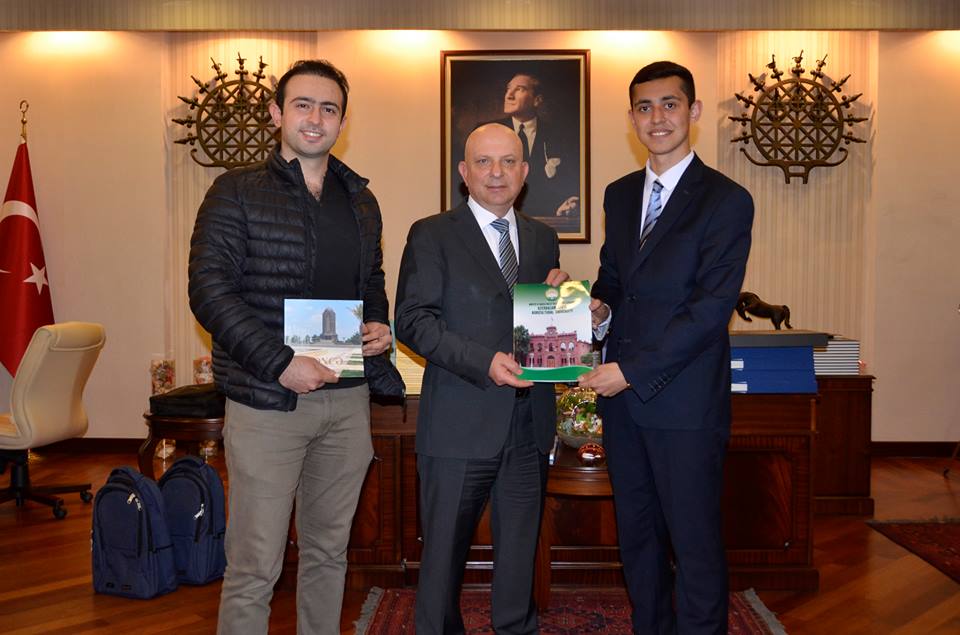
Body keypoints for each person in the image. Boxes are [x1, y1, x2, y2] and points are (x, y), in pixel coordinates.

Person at [188, 59, 402, 635]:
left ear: (342, 122)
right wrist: (281, 364)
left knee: (329, 553)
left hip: (347, 400)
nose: (315, 118)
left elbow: (371, 280)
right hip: (267, 401)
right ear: (276, 113)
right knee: (254, 565)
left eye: (329, 108)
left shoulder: (361, 200)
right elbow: (209, 291)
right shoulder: (235, 191)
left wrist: (378, 324)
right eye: (302, 105)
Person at [579, 61, 754, 634]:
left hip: (685, 404)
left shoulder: (726, 200)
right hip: (624, 408)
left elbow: (709, 309)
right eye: (644, 107)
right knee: (638, 538)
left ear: (693, 111)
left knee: (694, 542)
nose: (657, 117)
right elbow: (613, 280)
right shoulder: (619, 194)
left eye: (669, 104)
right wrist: (597, 309)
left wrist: (629, 370)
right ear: (632, 117)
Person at [395, 123, 568, 634]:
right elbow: (414, 321)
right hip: (459, 422)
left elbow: (540, 325)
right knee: (442, 561)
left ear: (525, 171)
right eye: (484, 162)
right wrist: (483, 360)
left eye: (508, 161)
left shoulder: (541, 239)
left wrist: (565, 302)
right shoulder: (432, 234)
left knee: (519, 557)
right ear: (464, 172)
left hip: (529, 427)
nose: (497, 173)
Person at [497, 72, 579, 219]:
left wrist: (562, 205)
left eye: (519, 89)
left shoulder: (561, 136)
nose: (509, 95)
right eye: (508, 89)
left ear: (537, 100)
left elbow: (569, 182)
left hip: (546, 220)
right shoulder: (487, 132)